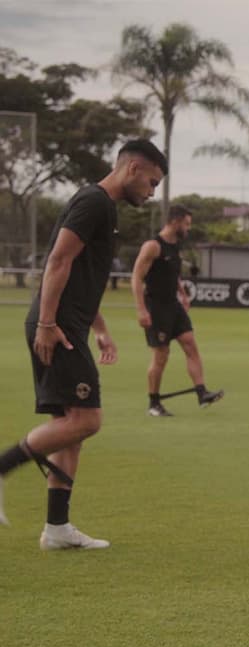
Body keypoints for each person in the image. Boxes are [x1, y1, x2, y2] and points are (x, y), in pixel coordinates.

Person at [0, 139, 167, 547]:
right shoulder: (94, 203)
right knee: (87, 420)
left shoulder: (103, 209)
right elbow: (57, 260)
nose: (152, 191)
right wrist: (46, 322)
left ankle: (57, 528)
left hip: (68, 324)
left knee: (72, 428)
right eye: (152, 181)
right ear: (132, 169)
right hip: (56, 326)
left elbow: (80, 274)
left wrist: (100, 328)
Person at [130, 204, 224, 417]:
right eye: (187, 224)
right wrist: (141, 310)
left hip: (174, 305)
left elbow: (173, 273)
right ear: (175, 221)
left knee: (191, 345)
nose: (188, 229)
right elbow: (136, 277)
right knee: (161, 355)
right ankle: (154, 403)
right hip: (156, 307)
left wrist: (182, 293)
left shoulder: (175, 246)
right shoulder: (153, 246)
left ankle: (202, 393)